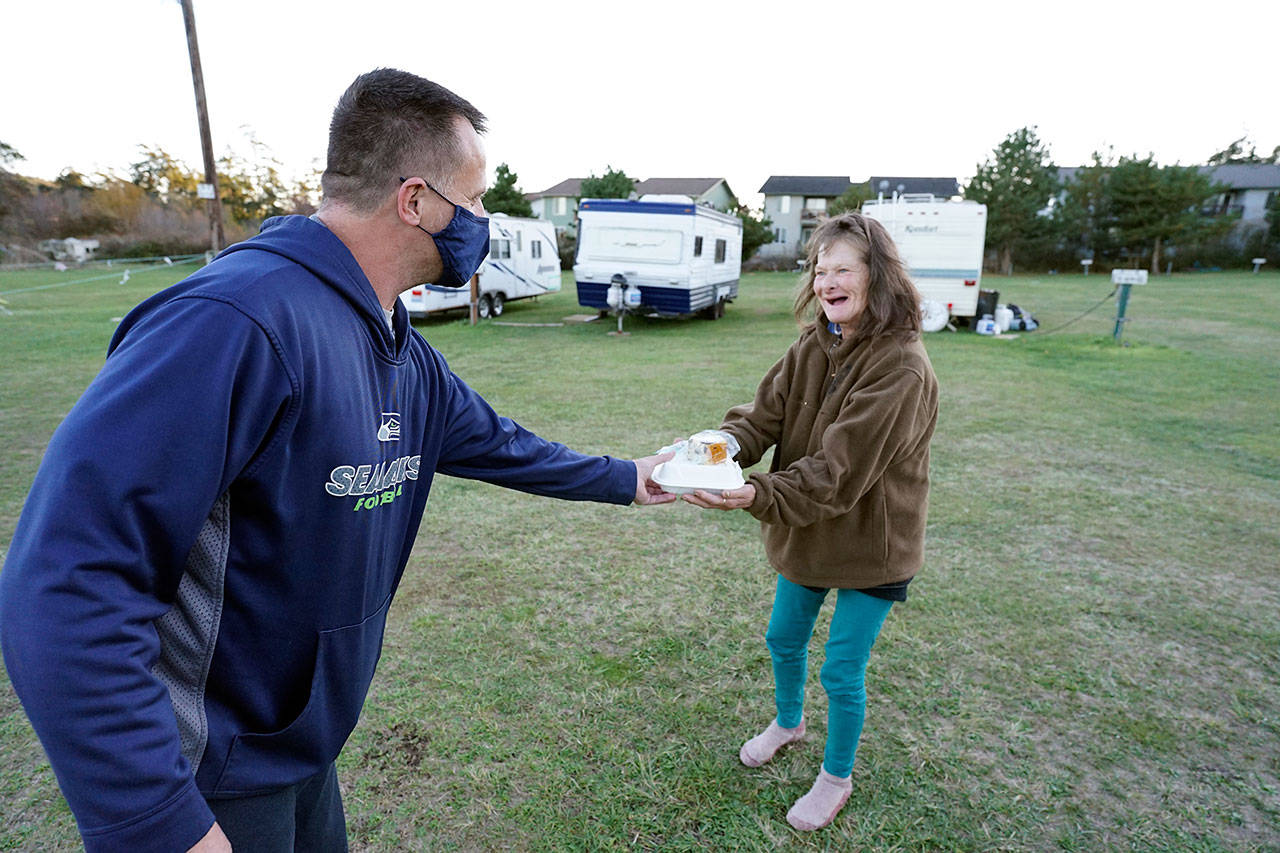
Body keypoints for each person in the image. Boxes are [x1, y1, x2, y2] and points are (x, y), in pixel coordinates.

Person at [0, 69, 674, 853]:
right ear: (416, 200)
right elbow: (67, 580)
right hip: (209, 772)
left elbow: (499, 442)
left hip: (300, 746)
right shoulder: (234, 322)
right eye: (478, 198)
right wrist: (157, 821)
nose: (485, 219)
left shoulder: (395, 341)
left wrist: (632, 476)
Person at [683, 212, 938, 831]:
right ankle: (790, 723)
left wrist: (756, 493)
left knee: (841, 670)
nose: (827, 281)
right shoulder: (813, 343)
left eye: (843, 269)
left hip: (872, 547)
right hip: (809, 531)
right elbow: (762, 418)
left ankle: (835, 778)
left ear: (879, 277)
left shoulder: (901, 368)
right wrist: (718, 450)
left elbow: (838, 473)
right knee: (782, 639)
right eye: (820, 270)